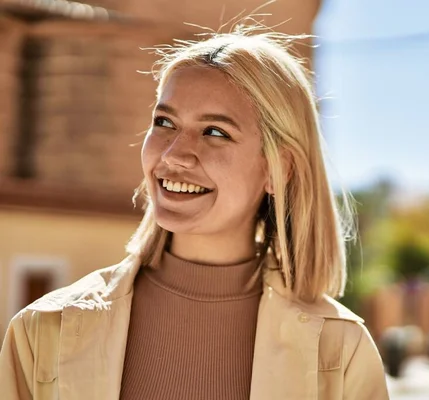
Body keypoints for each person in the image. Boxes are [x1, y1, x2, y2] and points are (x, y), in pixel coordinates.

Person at [0, 27, 389, 400]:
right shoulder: (43, 329)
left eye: (215, 132)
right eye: (164, 123)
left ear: (278, 169)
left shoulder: (341, 353)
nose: (174, 155)